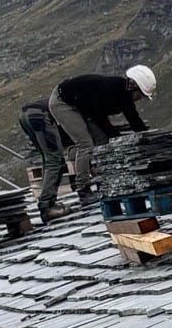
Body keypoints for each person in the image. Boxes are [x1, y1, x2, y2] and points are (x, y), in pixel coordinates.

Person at [44, 64, 158, 200]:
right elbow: (99, 118)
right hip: (63, 103)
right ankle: (83, 188)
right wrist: (115, 136)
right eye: (141, 95)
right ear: (134, 87)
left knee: (103, 142)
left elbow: (134, 120)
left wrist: (150, 139)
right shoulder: (109, 89)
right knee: (85, 144)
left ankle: (103, 178)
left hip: (83, 107)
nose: (140, 99)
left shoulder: (125, 96)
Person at [17, 98, 69, 223]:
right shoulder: (76, 104)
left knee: (49, 158)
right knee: (55, 160)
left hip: (26, 116)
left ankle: (49, 203)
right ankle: (47, 207)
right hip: (39, 116)